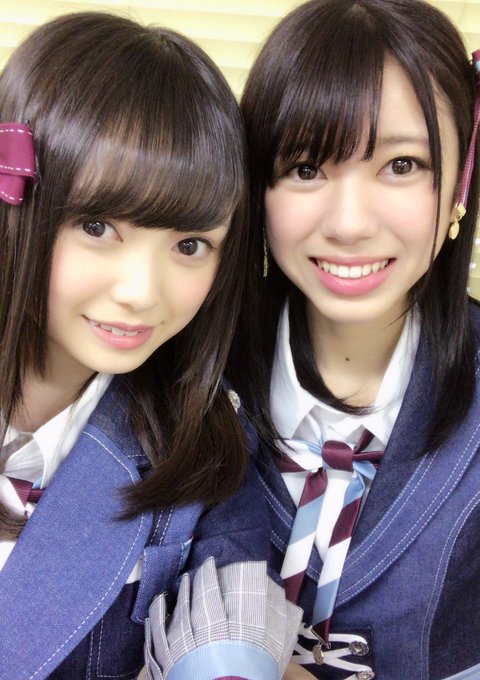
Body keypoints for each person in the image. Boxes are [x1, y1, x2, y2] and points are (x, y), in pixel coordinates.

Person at [225, 0, 480, 677]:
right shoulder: (193, 361)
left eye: (402, 164)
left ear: (459, 180)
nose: (349, 224)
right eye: (305, 167)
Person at [0, 12, 272, 678]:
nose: (141, 292)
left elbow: (230, 626)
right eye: (97, 226)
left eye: (190, 245)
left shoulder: (202, 443)